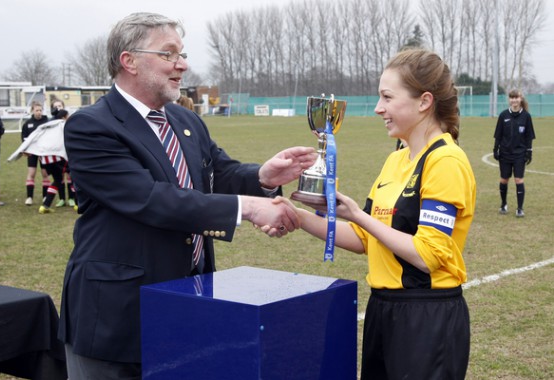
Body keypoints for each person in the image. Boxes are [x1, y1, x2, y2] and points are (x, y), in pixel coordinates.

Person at [58, 12, 316, 379]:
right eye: (169, 54)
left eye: (182, 54)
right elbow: (150, 199)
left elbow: (219, 173)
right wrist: (250, 208)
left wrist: (262, 176)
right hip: (117, 315)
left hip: (187, 301)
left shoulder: (186, 120)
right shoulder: (91, 126)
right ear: (128, 61)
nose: (182, 65)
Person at [274, 49, 476, 379]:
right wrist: (298, 217)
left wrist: (358, 214)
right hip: (383, 310)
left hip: (426, 316)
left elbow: (427, 257)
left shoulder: (446, 162)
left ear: (424, 101)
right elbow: (364, 239)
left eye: (387, 97)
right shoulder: (396, 160)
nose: (378, 108)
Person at [493, 89, 536, 217]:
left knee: (518, 180)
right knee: (504, 179)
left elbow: (529, 136)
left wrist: (529, 152)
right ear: (509, 100)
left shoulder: (526, 116)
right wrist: (495, 149)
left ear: (520, 99)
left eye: (516, 97)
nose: (514, 100)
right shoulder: (503, 115)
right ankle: (503, 204)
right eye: (512, 98)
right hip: (505, 154)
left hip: (519, 154)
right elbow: (498, 135)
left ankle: (520, 208)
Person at [37, 109, 69, 214]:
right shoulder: (62, 125)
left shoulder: (48, 125)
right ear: (64, 117)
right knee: (74, 176)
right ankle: (78, 203)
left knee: (58, 179)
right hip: (58, 158)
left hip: (45, 159)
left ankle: (45, 205)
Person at [21, 102, 51, 205]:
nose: (39, 112)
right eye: (36, 110)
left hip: (44, 152)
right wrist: (25, 149)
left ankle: (45, 197)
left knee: (45, 174)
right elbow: (24, 137)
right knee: (31, 173)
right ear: (32, 111)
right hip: (32, 152)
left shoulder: (47, 122)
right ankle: (29, 197)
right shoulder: (27, 123)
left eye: (40, 110)